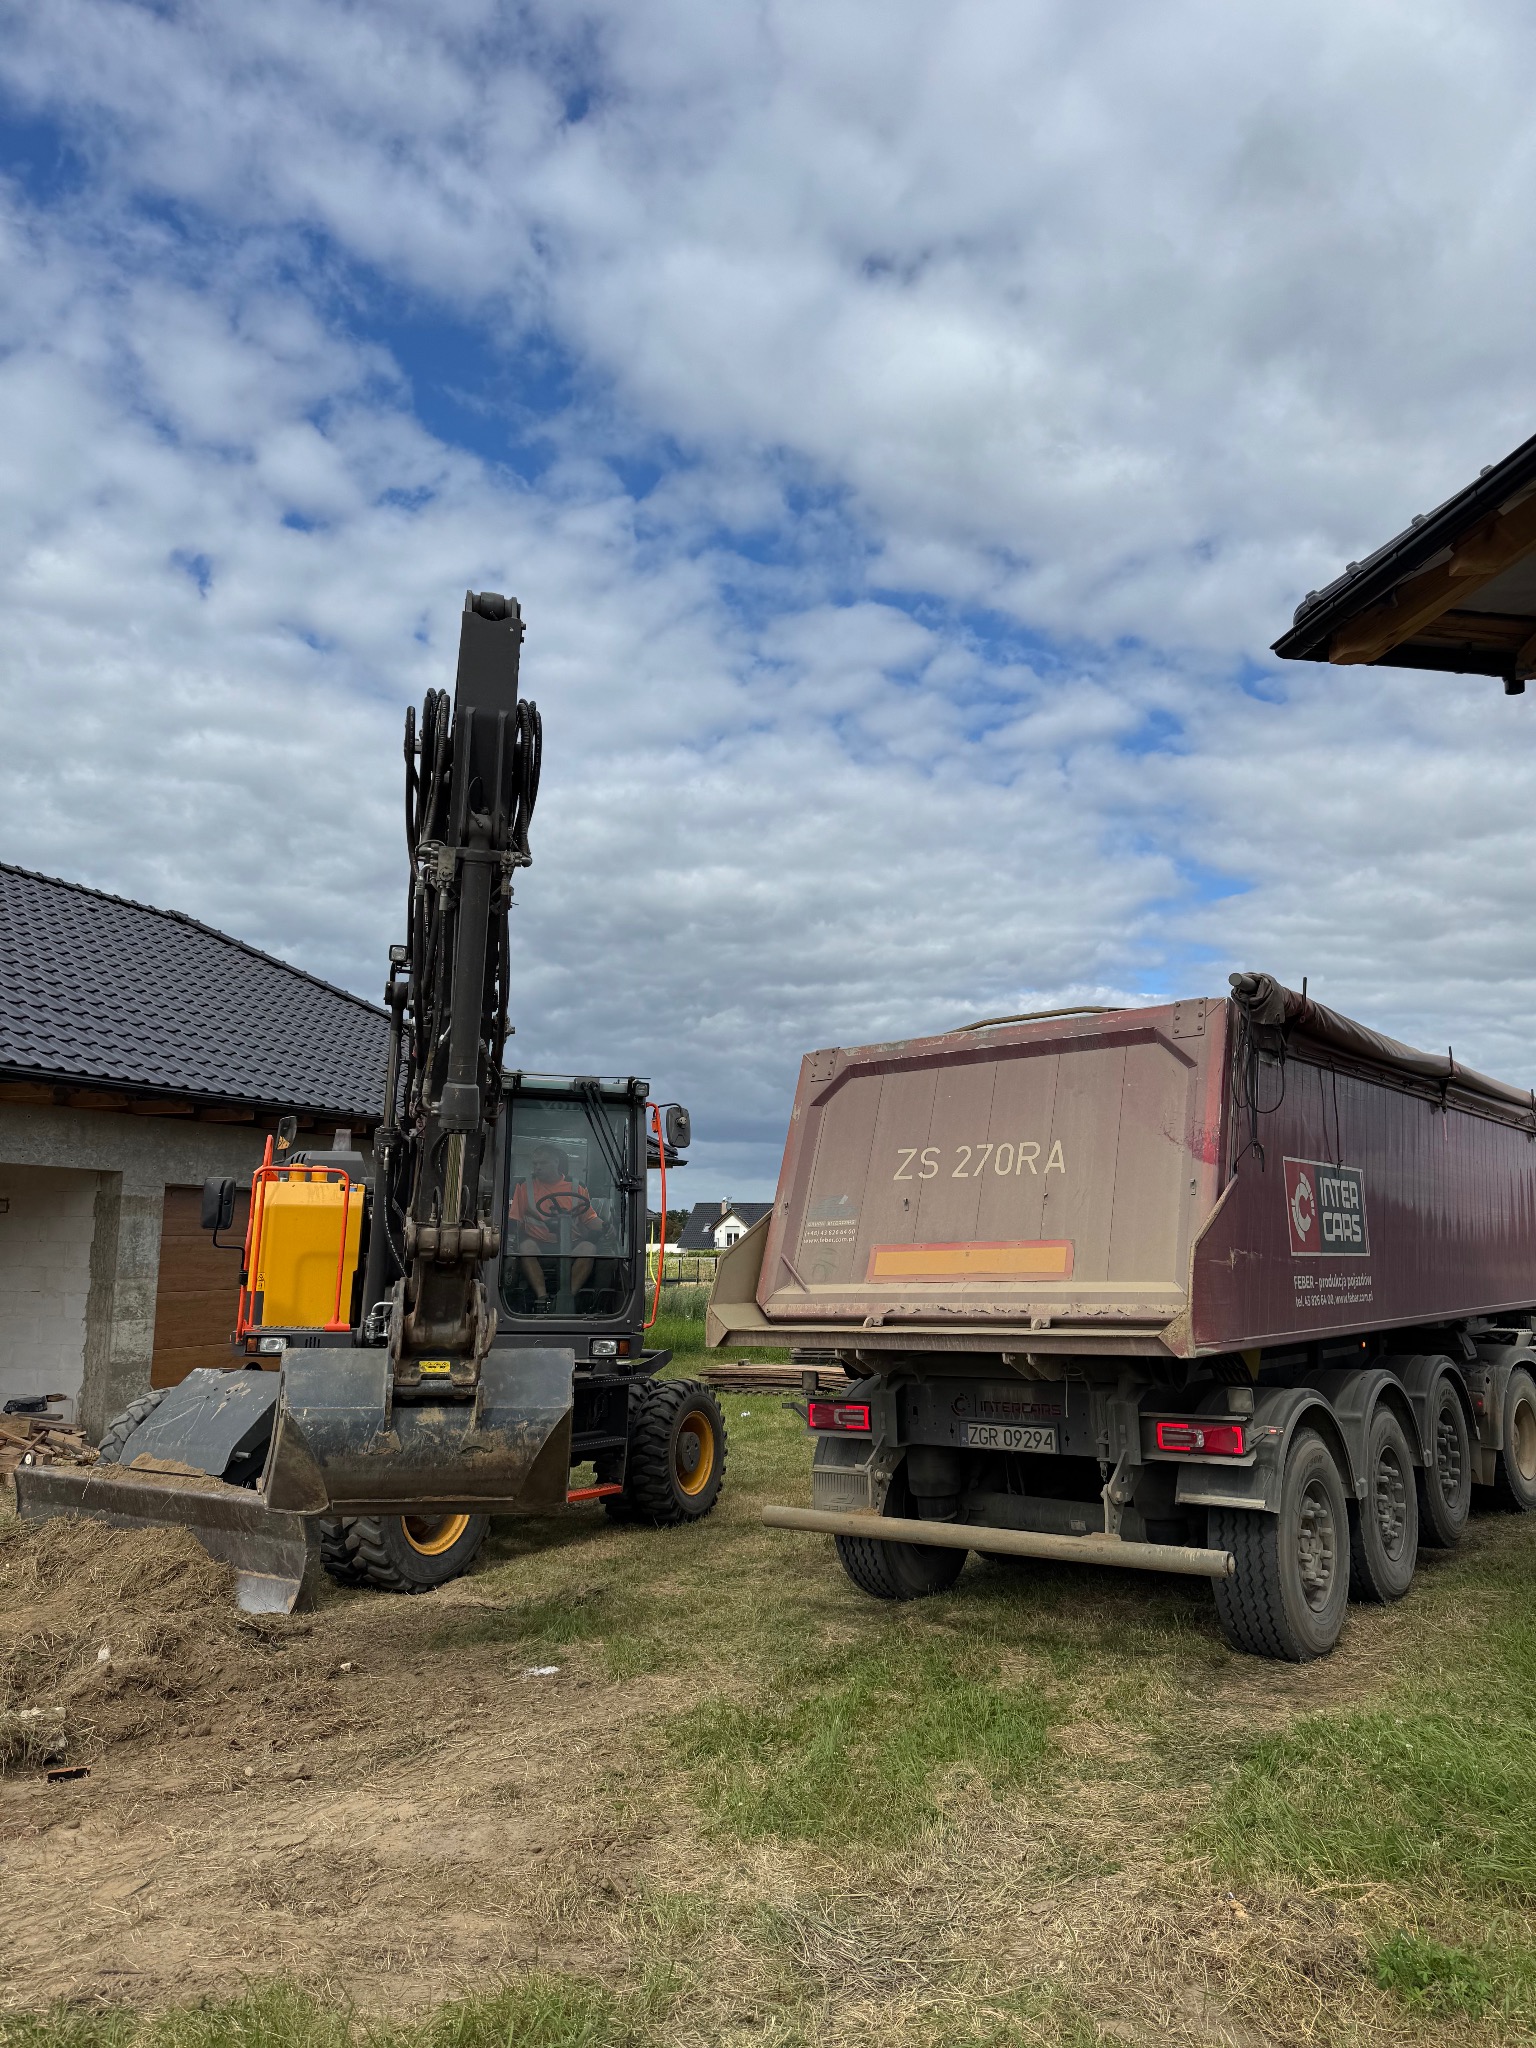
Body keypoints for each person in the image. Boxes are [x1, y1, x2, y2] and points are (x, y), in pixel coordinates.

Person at [510, 1142, 603, 1305]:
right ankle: (542, 1298)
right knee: (525, 1248)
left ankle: (565, 1300)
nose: (537, 1167)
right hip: (538, 1244)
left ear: (556, 1162)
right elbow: (515, 1220)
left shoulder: (577, 1187)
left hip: (572, 1244)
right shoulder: (525, 1187)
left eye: (543, 1163)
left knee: (589, 1248)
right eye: (535, 1163)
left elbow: (590, 1219)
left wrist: (608, 1227)